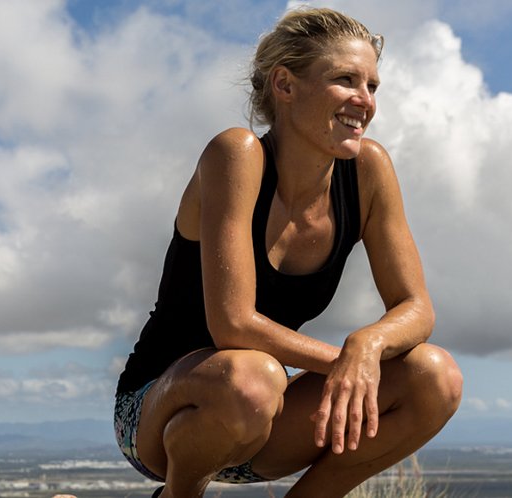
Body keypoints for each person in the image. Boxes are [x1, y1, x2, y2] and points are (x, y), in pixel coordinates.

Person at [113, 7, 463, 498]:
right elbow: (233, 326)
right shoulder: (236, 155)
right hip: (162, 412)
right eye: (345, 80)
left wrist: (367, 346)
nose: (364, 101)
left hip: (264, 415)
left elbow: (417, 308)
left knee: (435, 376)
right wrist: (344, 362)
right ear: (284, 85)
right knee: (252, 375)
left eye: (373, 86)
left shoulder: (369, 171)